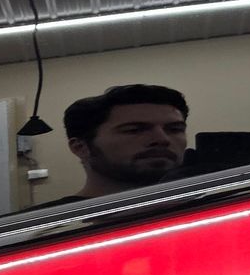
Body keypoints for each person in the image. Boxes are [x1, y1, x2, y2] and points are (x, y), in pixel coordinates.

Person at [59, 83, 190, 200]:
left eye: (175, 129)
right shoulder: (53, 222)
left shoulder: (202, 206)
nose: (162, 139)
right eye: (134, 130)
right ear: (80, 147)